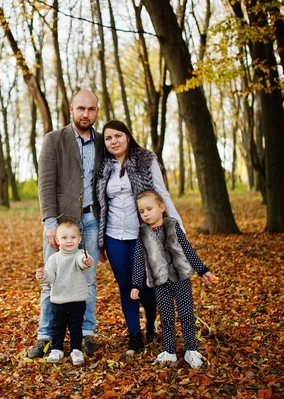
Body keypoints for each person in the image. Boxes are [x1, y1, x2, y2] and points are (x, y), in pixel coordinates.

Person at [96, 119, 185, 353]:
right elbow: (100, 203)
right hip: (114, 235)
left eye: (118, 136)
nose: (114, 141)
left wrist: (177, 227)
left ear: (127, 136)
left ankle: (151, 319)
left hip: (144, 234)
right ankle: (134, 335)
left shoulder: (146, 159)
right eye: (108, 138)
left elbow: (161, 193)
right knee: (125, 286)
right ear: (104, 143)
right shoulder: (104, 166)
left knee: (146, 286)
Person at [27, 89, 102, 359]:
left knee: (88, 279)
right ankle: (45, 336)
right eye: (81, 108)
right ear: (71, 108)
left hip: (92, 220)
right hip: (61, 224)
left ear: (96, 111)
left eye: (91, 109)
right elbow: (45, 183)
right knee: (52, 281)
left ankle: (86, 334)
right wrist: (50, 223)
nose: (86, 114)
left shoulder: (103, 142)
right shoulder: (54, 139)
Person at [132, 190, 217, 368]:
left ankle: (191, 350)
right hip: (160, 283)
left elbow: (187, 249)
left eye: (149, 208)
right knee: (166, 317)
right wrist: (136, 284)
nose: (146, 214)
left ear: (161, 207)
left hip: (181, 279)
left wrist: (203, 270)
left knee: (186, 314)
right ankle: (169, 351)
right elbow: (139, 260)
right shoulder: (143, 234)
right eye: (141, 211)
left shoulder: (172, 226)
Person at [35, 220, 93, 365]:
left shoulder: (79, 254)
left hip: (77, 299)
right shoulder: (54, 258)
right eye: (64, 238)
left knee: (76, 326)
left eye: (73, 238)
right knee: (58, 326)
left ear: (79, 239)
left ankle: (76, 350)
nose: (69, 241)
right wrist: (43, 275)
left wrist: (87, 261)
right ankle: (57, 349)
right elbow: (50, 277)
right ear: (57, 240)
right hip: (59, 300)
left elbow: (83, 262)